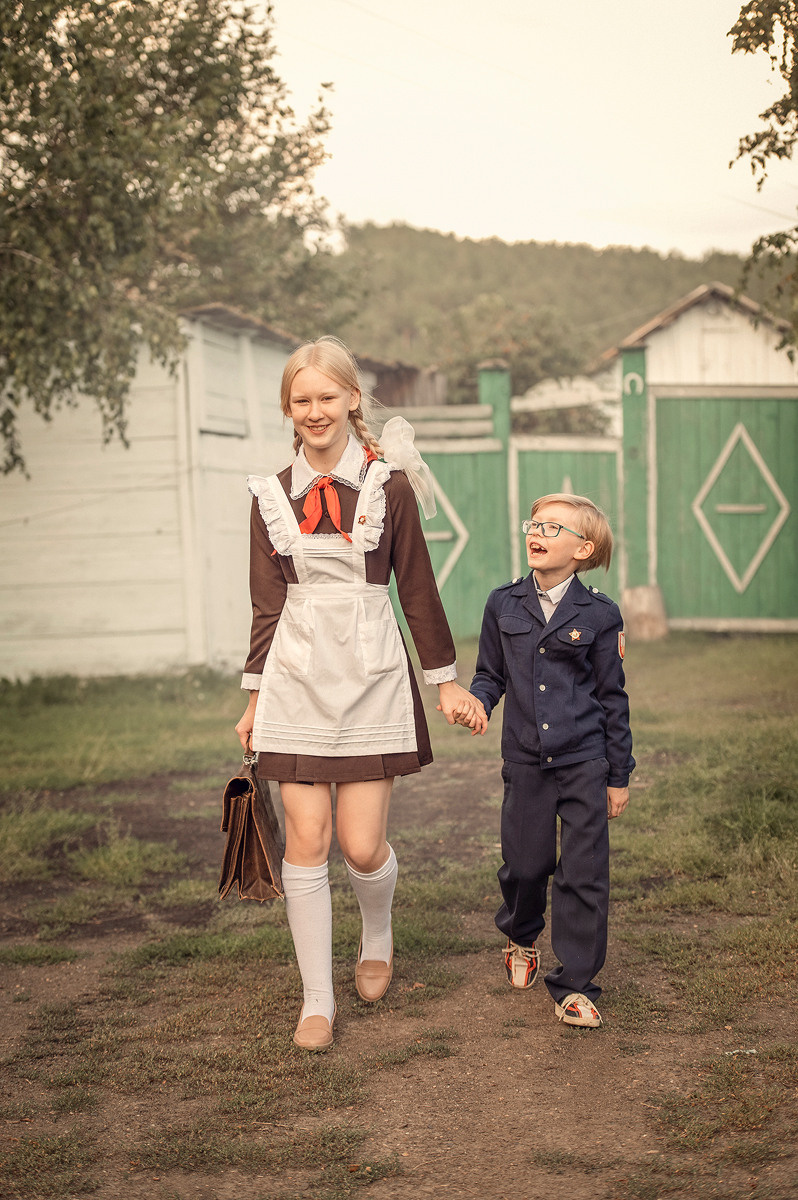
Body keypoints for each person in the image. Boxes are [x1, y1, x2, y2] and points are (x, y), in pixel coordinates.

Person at [235, 335, 486, 1052]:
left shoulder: (389, 486)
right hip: (294, 679)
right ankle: (318, 999)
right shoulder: (267, 495)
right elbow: (265, 605)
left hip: (374, 674)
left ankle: (377, 930)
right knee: (307, 839)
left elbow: (417, 591)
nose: (315, 411)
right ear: (289, 408)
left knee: (361, 844)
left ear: (352, 400)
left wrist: (443, 683)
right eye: (301, 399)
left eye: (327, 397)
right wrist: (253, 699)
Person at [467, 493, 634, 1028]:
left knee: (583, 874)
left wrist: (618, 774)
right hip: (525, 759)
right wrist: (480, 703)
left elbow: (612, 697)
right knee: (525, 864)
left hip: (585, 760)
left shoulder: (601, 614)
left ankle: (576, 985)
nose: (537, 532)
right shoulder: (503, 604)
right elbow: (490, 673)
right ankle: (520, 934)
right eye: (534, 523)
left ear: (583, 549)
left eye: (553, 527)